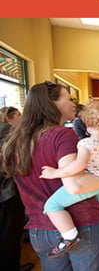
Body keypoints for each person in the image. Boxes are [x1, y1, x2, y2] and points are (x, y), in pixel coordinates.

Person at [2, 81, 99, 270]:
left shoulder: (17, 141)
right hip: (80, 225)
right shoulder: (62, 135)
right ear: (53, 104)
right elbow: (74, 186)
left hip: (40, 229)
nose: (73, 103)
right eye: (68, 98)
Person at [39, 100, 99, 258]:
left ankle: (69, 235)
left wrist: (55, 173)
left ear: (88, 122)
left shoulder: (86, 144)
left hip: (87, 183)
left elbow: (78, 165)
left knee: (51, 206)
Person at [0, 107, 34, 271]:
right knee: (10, 234)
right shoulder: (8, 133)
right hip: (6, 193)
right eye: (19, 115)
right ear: (9, 118)